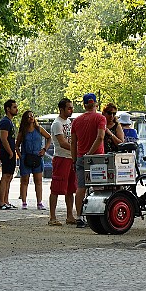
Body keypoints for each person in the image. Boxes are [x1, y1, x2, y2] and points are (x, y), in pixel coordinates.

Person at [70, 92, 107, 228]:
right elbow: (100, 137)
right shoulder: (100, 118)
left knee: (80, 187)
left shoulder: (76, 121)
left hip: (80, 158)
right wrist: (90, 153)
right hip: (97, 158)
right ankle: (98, 215)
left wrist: (75, 160)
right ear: (95, 104)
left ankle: (79, 217)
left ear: (84, 105)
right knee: (99, 187)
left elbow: (73, 143)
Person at [49, 98, 77, 226]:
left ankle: (70, 216)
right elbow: (62, 142)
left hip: (71, 158)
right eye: (69, 108)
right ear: (61, 109)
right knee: (56, 188)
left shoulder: (69, 122)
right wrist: (75, 148)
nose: (71, 110)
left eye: (71, 107)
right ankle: (52, 217)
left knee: (71, 188)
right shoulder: (57, 124)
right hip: (61, 158)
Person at [16, 110, 52, 210]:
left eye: (32, 116)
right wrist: (21, 156)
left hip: (37, 157)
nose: (31, 118)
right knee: (25, 180)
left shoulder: (39, 129)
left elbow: (49, 137)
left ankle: (39, 202)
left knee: (38, 180)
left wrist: (44, 149)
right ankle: (24, 202)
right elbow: (17, 145)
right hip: (26, 157)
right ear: (25, 119)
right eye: (28, 116)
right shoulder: (23, 131)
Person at [0, 99, 20, 210]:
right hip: (6, 153)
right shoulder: (5, 122)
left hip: (10, 153)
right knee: (5, 176)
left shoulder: (10, 122)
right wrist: (10, 152)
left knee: (9, 177)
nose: (16, 109)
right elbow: (3, 138)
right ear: (8, 109)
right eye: (14, 107)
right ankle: (1, 202)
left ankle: (6, 201)